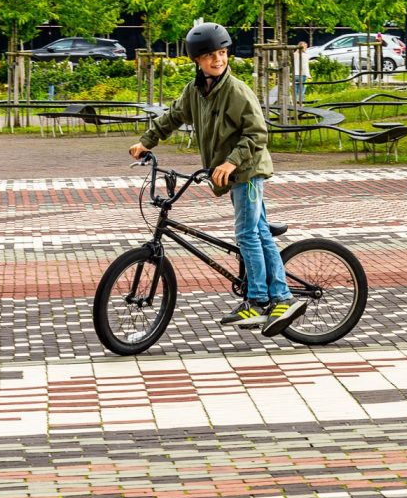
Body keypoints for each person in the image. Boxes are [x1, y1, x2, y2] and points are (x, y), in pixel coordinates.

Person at [129, 22, 305, 336]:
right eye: (210, 55)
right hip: (228, 172)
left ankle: (260, 300)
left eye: (222, 53)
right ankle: (281, 297)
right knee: (259, 232)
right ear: (197, 60)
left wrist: (230, 162)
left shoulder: (236, 91)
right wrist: (147, 142)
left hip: (248, 171)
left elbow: (257, 133)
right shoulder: (195, 91)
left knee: (247, 234)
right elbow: (173, 117)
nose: (218, 60)